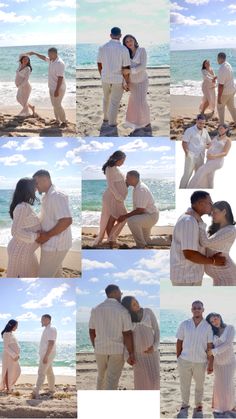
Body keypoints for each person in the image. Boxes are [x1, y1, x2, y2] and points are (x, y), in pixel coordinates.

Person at [170, 191, 226, 286]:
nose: (212, 207)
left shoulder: (191, 219)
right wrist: (213, 261)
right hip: (186, 278)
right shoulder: (189, 221)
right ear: (200, 203)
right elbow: (190, 254)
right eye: (210, 203)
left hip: (187, 276)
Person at [89, 284, 135, 390]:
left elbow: (92, 331)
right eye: (120, 293)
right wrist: (131, 352)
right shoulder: (123, 310)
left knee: (101, 377)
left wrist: (95, 346)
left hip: (100, 350)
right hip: (117, 350)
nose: (121, 295)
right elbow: (127, 333)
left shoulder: (96, 309)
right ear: (114, 293)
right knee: (112, 380)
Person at [176, 301, 213, 418]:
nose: (196, 309)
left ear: (203, 310)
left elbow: (209, 346)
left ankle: (198, 405)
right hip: (184, 360)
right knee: (184, 384)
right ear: (191, 310)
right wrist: (179, 357)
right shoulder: (184, 324)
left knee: (199, 385)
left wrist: (210, 363)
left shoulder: (208, 326)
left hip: (201, 362)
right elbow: (179, 341)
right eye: (194, 308)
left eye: (199, 308)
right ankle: (185, 404)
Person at [33, 170, 72, 278]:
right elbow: (48, 218)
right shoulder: (47, 196)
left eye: (36, 183)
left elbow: (66, 220)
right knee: (56, 276)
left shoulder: (56, 195)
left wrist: (46, 235)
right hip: (52, 244)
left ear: (46, 180)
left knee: (43, 278)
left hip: (55, 246)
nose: (35, 187)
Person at [188, 201, 236, 285]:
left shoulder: (231, 230)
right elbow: (201, 241)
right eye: (211, 213)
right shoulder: (216, 230)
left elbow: (205, 243)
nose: (212, 215)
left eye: (215, 212)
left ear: (224, 212)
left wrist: (200, 221)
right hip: (218, 276)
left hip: (227, 276)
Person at [121, 296, 160, 390]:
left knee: (155, 382)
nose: (137, 305)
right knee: (141, 384)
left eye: (137, 302)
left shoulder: (148, 312)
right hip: (138, 357)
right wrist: (127, 356)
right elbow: (124, 339)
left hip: (152, 354)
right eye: (134, 304)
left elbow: (157, 330)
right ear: (128, 308)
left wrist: (154, 347)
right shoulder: (126, 318)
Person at [7, 178, 41, 278]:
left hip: (25, 251)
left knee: (35, 275)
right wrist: (37, 235)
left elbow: (26, 226)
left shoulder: (25, 206)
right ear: (28, 189)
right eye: (34, 186)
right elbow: (15, 232)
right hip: (20, 252)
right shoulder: (22, 207)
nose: (36, 189)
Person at [93, 151, 128, 248]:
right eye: (122, 160)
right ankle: (111, 240)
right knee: (113, 219)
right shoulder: (109, 168)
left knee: (121, 218)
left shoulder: (116, 168)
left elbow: (119, 183)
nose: (123, 162)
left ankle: (111, 238)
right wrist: (119, 197)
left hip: (117, 198)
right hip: (112, 197)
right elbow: (111, 185)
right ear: (117, 159)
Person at [97, 27, 131, 127]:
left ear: (111, 35)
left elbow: (99, 64)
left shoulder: (102, 47)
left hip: (105, 78)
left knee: (106, 98)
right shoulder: (124, 49)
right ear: (120, 36)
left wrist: (102, 75)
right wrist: (127, 81)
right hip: (117, 79)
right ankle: (112, 122)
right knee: (114, 102)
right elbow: (125, 68)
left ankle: (105, 118)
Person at [117, 170, 159, 248]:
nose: (126, 179)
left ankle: (141, 246)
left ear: (134, 178)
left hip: (150, 216)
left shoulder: (141, 189)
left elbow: (140, 210)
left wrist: (125, 216)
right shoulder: (137, 187)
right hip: (147, 215)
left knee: (131, 221)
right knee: (147, 240)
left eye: (127, 178)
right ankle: (168, 239)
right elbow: (139, 210)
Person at [28, 48, 67, 127]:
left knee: (58, 105)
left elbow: (60, 78)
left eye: (49, 54)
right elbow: (43, 57)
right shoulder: (52, 60)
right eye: (48, 54)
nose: (48, 56)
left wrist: (57, 90)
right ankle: (57, 120)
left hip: (58, 88)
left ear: (54, 54)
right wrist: (35, 53)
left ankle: (64, 121)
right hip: (52, 87)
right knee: (54, 105)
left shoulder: (59, 63)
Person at [206, 313, 236, 415]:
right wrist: (209, 364)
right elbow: (208, 348)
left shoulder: (230, 328)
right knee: (219, 385)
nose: (215, 322)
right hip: (218, 363)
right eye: (212, 321)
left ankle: (231, 406)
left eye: (215, 318)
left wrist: (213, 351)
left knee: (228, 384)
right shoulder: (211, 333)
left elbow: (227, 344)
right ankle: (219, 406)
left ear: (220, 317)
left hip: (229, 362)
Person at [187, 124, 231, 188]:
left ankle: (190, 188)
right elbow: (210, 146)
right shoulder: (216, 137)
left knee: (201, 170)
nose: (219, 130)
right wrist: (201, 146)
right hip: (209, 159)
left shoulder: (228, 140)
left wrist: (214, 156)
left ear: (226, 129)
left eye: (221, 128)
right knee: (210, 177)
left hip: (217, 161)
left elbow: (225, 153)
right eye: (219, 128)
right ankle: (209, 190)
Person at [123, 35, 150, 131]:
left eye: (130, 40)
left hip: (142, 81)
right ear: (125, 44)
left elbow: (143, 66)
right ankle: (137, 122)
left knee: (142, 101)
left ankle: (146, 122)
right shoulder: (126, 54)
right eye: (126, 42)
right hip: (132, 82)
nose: (129, 42)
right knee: (134, 103)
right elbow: (123, 70)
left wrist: (130, 71)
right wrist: (125, 82)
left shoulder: (142, 50)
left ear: (134, 40)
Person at [179, 114, 212, 189]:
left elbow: (209, 143)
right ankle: (182, 189)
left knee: (198, 175)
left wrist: (207, 147)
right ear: (196, 121)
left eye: (203, 123)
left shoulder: (205, 131)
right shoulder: (189, 130)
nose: (202, 125)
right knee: (187, 175)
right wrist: (187, 153)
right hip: (191, 156)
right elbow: (184, 142)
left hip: (201, 156)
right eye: (200, 123)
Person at [32, 314, 57, 399]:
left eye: (42, 319)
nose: (41, 321)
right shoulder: (47, 329)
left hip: (48, 354)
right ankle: (52, 390)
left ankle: (35, 391)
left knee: (41, 372)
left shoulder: (51, 329)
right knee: (49, 372)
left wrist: (46, 356)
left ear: (48, 320)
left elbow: (51, 343)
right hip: (47, 354)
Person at [0, 320, 21, 393]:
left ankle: (9, 386)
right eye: (16, 326)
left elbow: (13, 345)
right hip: (8, 356)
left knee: (17, 371)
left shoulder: (11, 333)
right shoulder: (6, 334)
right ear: (12, 326)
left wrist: (17, 355)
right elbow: (6, 347)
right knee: (7, 371)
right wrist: (14, 355)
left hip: (12, 356)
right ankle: (8, 388)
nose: (17, 328)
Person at [217, 52, 236, 125]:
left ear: (220, 58)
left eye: (217, 59)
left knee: (220, 107)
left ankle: (222, 125)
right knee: (232, 108)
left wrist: (219, 97)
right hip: (232, 89)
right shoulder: (228, 65)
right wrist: (217, 77)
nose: (217, 60)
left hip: (226, 92)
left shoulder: (222, 68)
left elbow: (221, 85)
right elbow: (227, 77)